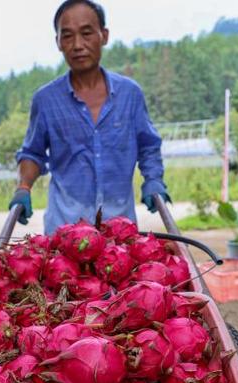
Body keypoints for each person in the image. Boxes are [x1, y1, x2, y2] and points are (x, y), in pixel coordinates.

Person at [9, 0, 171, 234]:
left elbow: (148, 146)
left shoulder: (130, 94)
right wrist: (23, 188)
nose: (77, 45)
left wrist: (153, 179)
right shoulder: (45, 100)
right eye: (67, 36)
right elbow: (33, 153)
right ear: (58, 42)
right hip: (64, 231)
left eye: (86, 33)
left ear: (103, 36)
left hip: (119, 233)